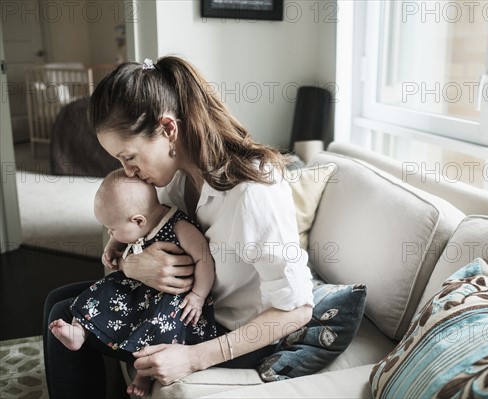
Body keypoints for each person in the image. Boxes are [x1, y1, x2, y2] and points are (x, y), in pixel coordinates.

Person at [43, 56, 315, 399]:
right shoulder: (177, 179)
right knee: (59, 298)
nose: (127, 171)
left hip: (232, 333)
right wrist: (129, 262)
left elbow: (299, 310)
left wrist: (193, 358)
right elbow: (152, 233)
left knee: (63, 311)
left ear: (169, 129)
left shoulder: (253, 193)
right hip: (185, 308)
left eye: (129, 157)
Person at [49, 168, 218, 397]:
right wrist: (113, 245)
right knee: (104, 289)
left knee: (161, 323)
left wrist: (198, 296)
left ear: (138, 220)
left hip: (173, 295)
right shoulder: (143, 219)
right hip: (141, 287)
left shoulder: (179, 226)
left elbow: (204, 257)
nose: (111, 232)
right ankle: (80, 330)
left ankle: (145, 373)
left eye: (113, 228)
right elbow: (122, 238)